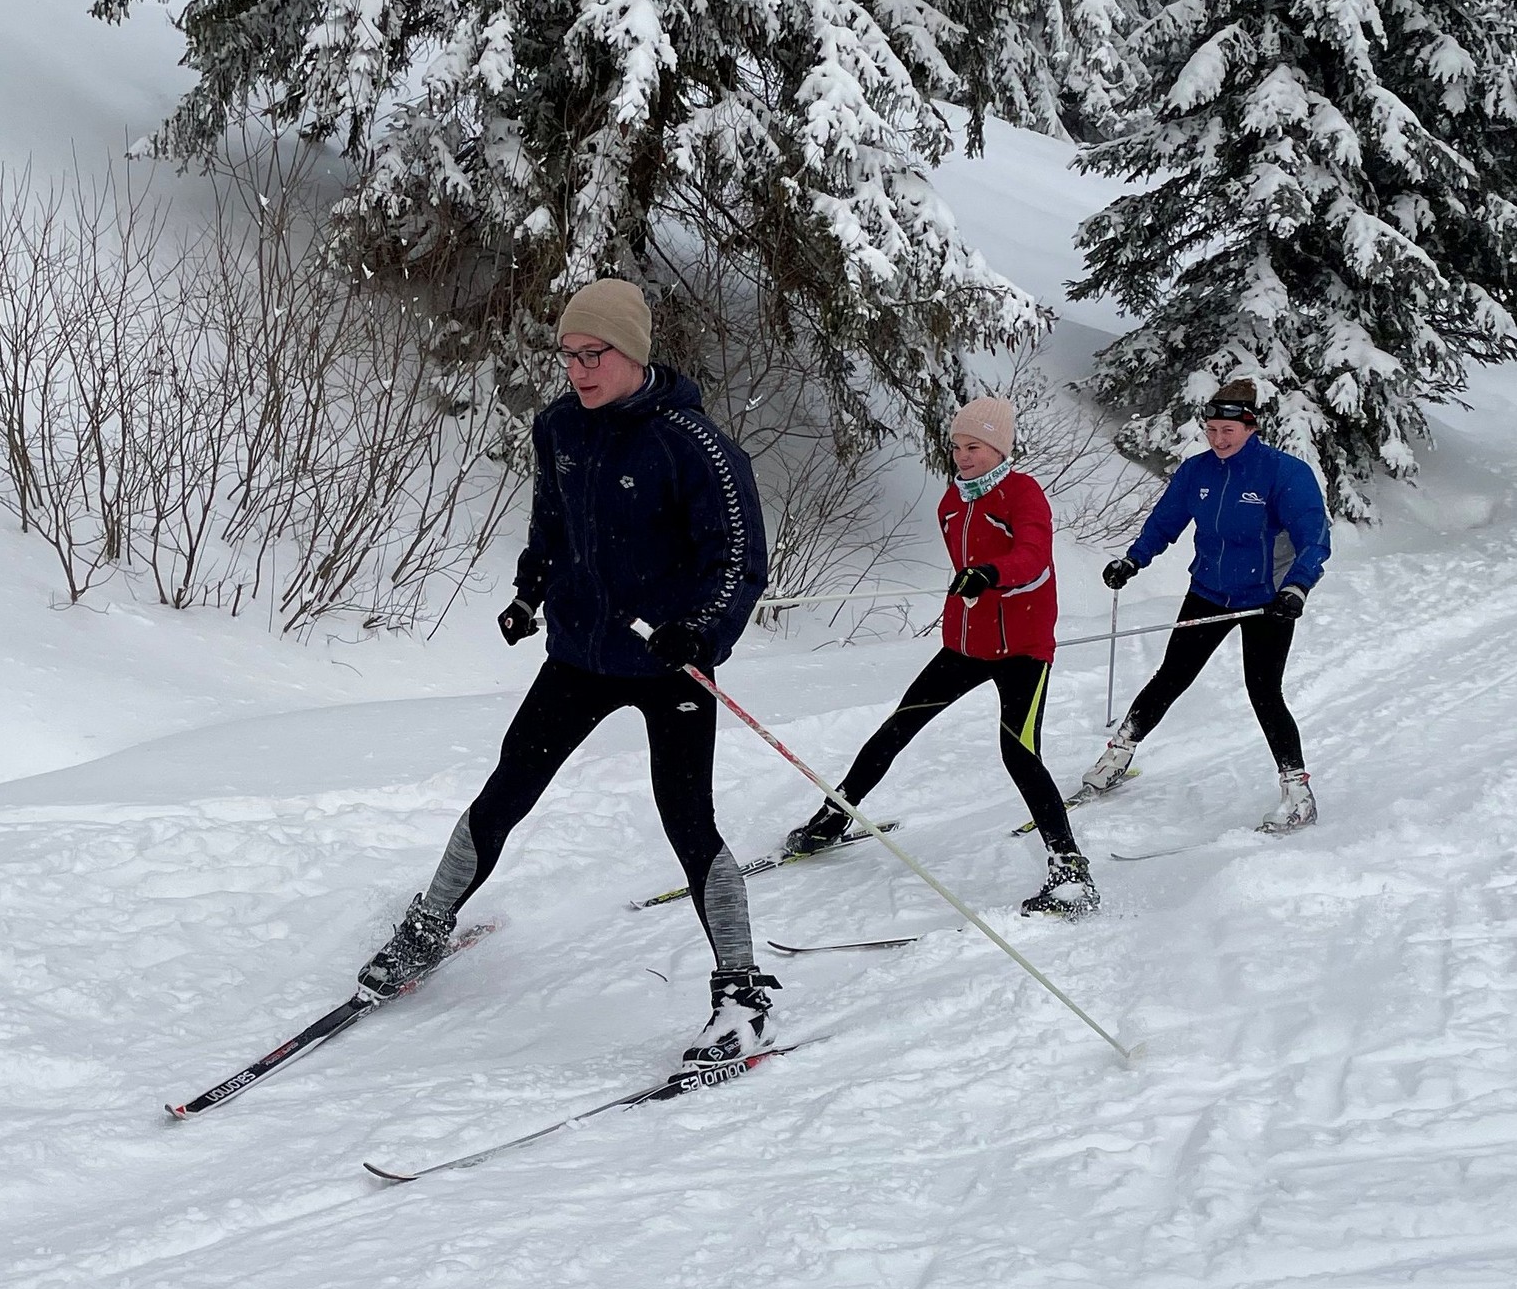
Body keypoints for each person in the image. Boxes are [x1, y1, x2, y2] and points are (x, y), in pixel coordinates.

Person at [357, 278, 775, 1068]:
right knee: (506, 789)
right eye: (570, 355)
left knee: (688, 820)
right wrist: (530, 593)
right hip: (581, 653)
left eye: (595, 355)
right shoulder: (559, 426)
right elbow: (552, 522)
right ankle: (429, 923)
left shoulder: (695, 444)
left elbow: (738, 561)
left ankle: (742, 994)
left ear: (634, 353)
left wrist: (699, 633)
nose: (579, 371)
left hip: (667, 665)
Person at [783, 396, 1100, 917]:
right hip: (965, 646)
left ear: (1000, 449)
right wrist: (971, 589)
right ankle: (833, 817)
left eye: (974, 447)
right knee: (898, 726)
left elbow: (1033, 558)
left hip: (1022, 649)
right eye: (956, 446)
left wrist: (991, 574)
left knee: (1019, 753)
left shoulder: (1023, 493)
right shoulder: (952, 502)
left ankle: (1069, 870)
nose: (962, 456)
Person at [1082, 378, 1331, 831]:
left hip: (1268, 600)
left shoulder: (1284, 473)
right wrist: (1133, 560)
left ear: (1251, 428)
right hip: (1209, 591)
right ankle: (1117, 755)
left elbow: (1313, 537)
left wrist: (1297, 587)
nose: (1218, 439)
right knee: (1171, 675)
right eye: (1212, 430)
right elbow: (1165, 521)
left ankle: (1298, 792)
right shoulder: (1197, 471)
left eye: (1228, 431)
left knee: (1264, 691)